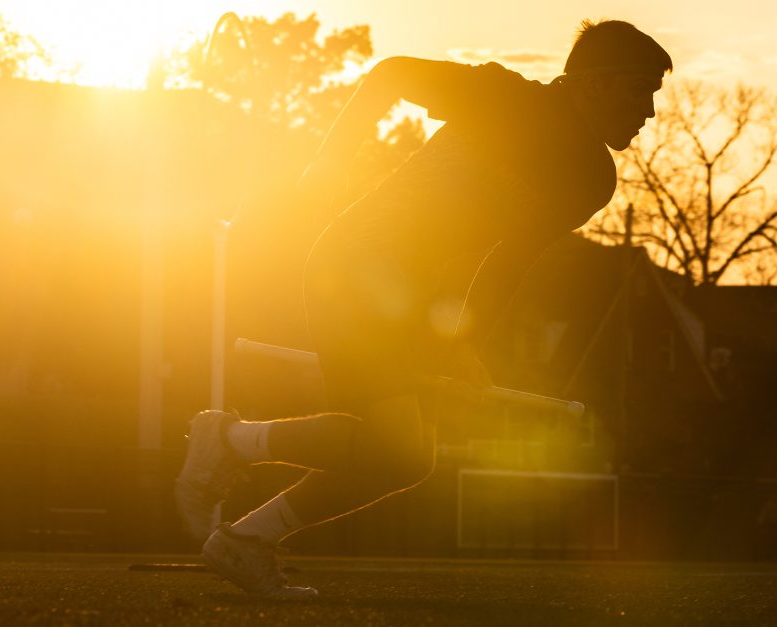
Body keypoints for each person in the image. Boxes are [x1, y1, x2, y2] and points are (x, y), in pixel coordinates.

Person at [175, 19, 671, 599]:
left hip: (406, 298)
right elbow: (391, 75)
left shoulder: (590, 178)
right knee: (393, 447)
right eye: (641, 89)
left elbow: (508, 263)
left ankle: (244, 525)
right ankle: (230, 448)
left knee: (405, 461)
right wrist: (326, 167)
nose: (650, 111)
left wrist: (463, 346)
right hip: (355, 267)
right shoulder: (505, 96)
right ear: (594, 83)